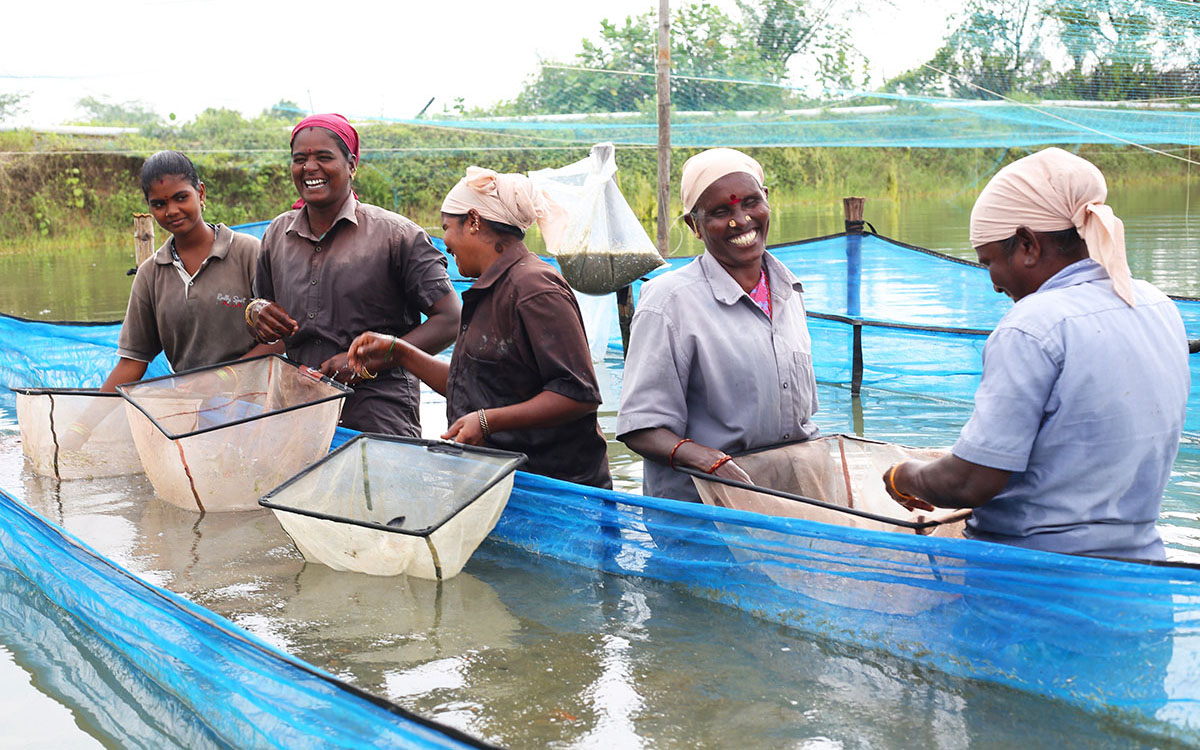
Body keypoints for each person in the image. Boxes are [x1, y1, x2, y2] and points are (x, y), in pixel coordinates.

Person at [883, 147, 1190, 561]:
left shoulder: (1031, 326)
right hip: (1141, 569)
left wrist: (903, 475)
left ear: (1027, 244)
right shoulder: (1156, 304)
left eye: (989, 262)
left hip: (1034, 575)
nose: (994, 284)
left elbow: (971, 482)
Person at [346, 167, 612, 488]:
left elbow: (579, 394)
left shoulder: (535, 288)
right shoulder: (490, 289)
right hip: (501, 483)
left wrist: (486, 421)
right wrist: (400, 352)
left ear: (473, 221)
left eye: (446, 228)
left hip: (557, 489)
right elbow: (473, 386)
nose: (445, 243)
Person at [616, 148, 819, 503]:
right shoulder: (668, 302)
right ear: (694, 225)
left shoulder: (789, 291)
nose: (740, 221)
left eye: (751, 203)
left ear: (766, 200)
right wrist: (708, 461)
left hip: (786, 505)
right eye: (720, 212)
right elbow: (641, 427)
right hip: (703, 514)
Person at [247, 114, 460, 436]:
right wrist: (256, 313)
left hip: (378, 414)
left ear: (351, 165)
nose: (310, 167)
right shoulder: (278, 234)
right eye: (300, 159)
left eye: (324, 157)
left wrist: (371, 361)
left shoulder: (396, 236)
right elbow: (263, 312)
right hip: (298, 411)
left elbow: (450, 319)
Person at [99, 150, 276, 393]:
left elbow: (280, 339)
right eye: (159, 204)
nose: (171, 210)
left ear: (201, 193)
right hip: (191, 405)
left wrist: (222, 378)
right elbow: (132, 361)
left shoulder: (248, 252)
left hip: (257, 401)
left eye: (181, 198)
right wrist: (89, 416)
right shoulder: (151, 274)